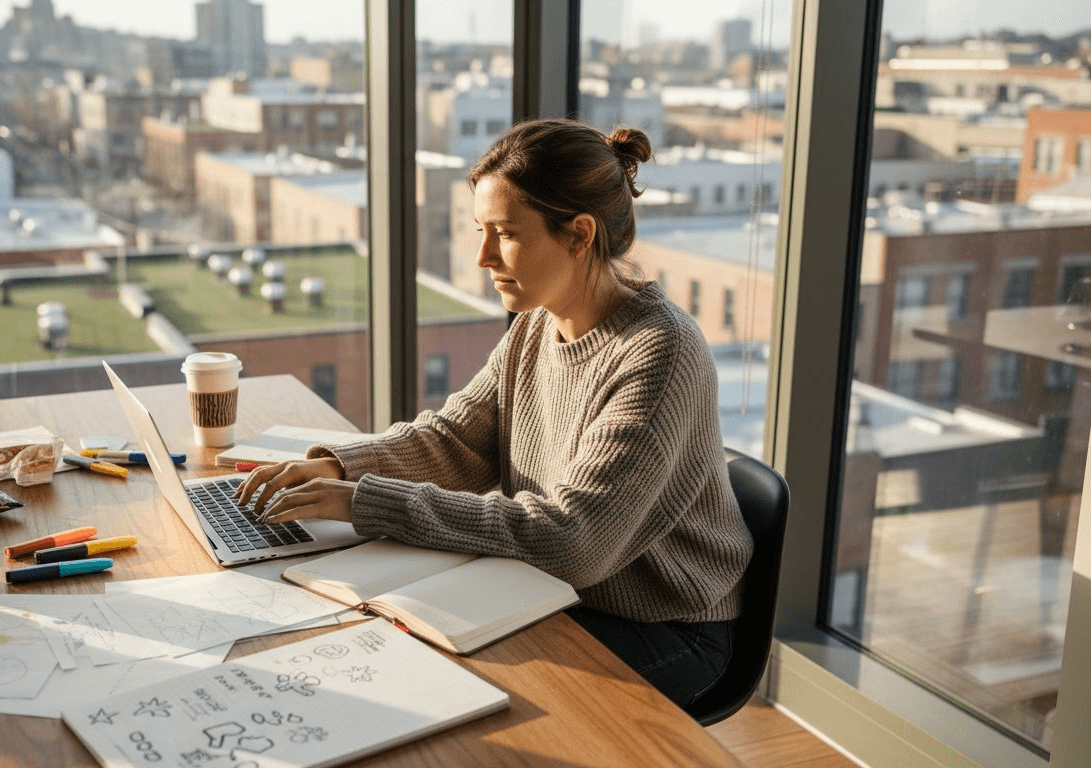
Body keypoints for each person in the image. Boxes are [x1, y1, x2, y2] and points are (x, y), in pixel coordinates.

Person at [236, 117, 753, 709]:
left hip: (665, 627)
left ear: (580, 234)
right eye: (480, 230)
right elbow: (456, 441)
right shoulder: (537, 324)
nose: (483, 256)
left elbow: (574, 542)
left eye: (504, 233)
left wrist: (366, 502)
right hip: (551, 592)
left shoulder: (661, 352)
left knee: (432, 687)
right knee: (379, 647)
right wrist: (338, 469)